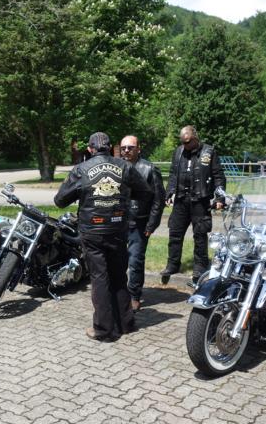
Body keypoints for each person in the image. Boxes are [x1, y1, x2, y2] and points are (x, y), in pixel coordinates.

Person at [54, 132, 151, 342]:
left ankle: (104, 330)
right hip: (117, 228)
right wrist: (123, 196)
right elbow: (145, 191)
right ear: (110, 147)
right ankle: (126, 323)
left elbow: (60, 200)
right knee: (118, 276)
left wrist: (80, 192)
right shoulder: (125, 167)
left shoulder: (81, 169)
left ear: (90, 149)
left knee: (99, 278)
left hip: (92, 231)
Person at [162, 125, 225, 286]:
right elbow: (173, 174)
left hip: (200, 200)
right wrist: (169, 192)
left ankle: (200, 267)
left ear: (195, 138)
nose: (185, 145)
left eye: (188, 141)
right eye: (182, 142)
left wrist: (220, 198)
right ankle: (172, 264)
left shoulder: (209, 152)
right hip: (181, 200)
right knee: (175, 233)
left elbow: (218, 176)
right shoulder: (178, 152)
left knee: (200, 235)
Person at [120, 135, 165, 311]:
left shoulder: (149, 169)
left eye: (130, 147)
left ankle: (134, 295)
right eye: (123, 148)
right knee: (117, 260)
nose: (126, 151)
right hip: (117, 222)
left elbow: (158, 199)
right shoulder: (116, 167)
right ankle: (119, 293)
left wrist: (151, 224)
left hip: (138, 222)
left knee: (135, 261)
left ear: (138, 149)